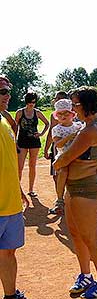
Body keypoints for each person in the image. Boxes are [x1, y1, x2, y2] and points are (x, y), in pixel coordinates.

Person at [53, 87, 97, 298]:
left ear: (86, 105)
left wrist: (59, 161)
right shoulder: (87, 126)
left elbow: (65, 158)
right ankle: (86, 275)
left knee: (90, 238)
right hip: (74, 188)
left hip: (86, 189)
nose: (72, 108)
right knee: (76, 234)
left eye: (75, 104)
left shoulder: (91, 130)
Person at [0, 76, 27, 299]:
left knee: (8, 252)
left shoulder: (4, 121)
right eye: (2, 91)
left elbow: (8, 161)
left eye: (8, 90)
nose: (7, 94)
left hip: (10, 203)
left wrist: (18, 189)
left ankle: (10, 295)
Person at [51, 99, 83, 215]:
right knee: (63, 172)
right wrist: (70, 136)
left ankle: (80, 200)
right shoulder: (57, 129)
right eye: (60, 113)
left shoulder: (78, 126)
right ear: (56, 115)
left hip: (77, 156)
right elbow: (58, 144)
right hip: (64, 156)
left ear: (72, 114)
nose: (63, 116)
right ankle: (59, 200)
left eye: (66, 113)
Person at [15, 91, 49, 198]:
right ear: (26, 101)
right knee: (19, 166)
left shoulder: (37, 112)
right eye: (30, 101)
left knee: (32, 165)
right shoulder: (20, 112)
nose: (32, 103)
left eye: (34, 101)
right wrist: (15, 140)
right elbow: (15, 127)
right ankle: (17, 189)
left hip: (34, 141)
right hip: (22, 141)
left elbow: (47, 123)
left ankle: (31, 190)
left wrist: (41, 134)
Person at [45, 91, 70, 214]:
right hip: (58, 149)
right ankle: (61, 200)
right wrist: (46, 149)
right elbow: (52, 133)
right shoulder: (55, 116)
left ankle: (63, 201)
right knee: (57, 176)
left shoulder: (71, 115)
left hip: (67, 150)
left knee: (61, 175)